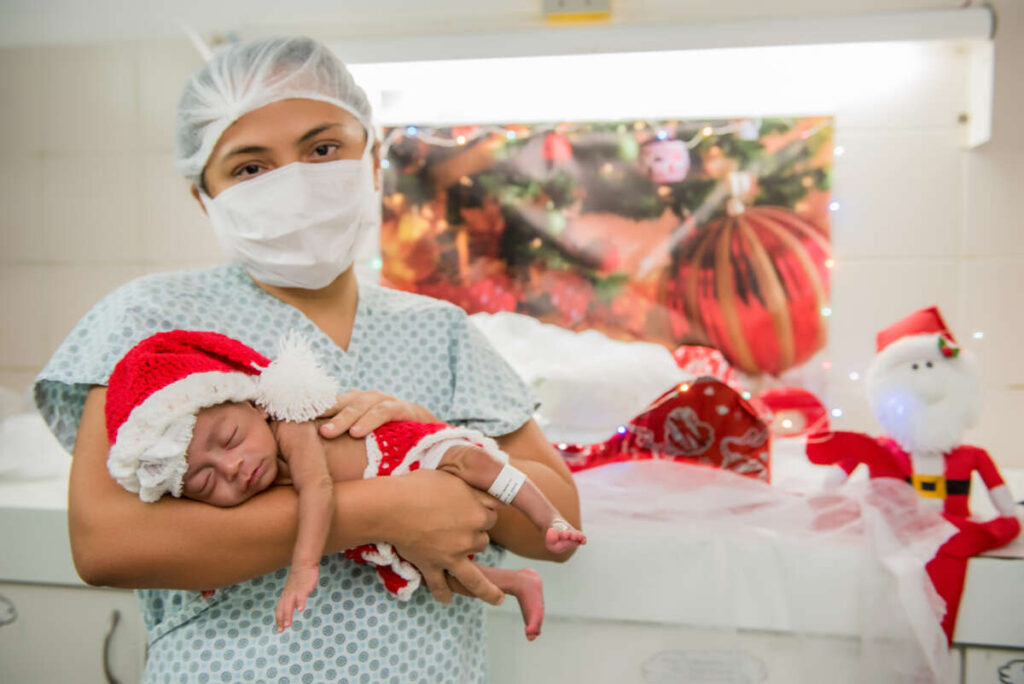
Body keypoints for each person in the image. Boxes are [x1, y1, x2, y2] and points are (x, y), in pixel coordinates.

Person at [34, 36, 582, 683]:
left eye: (323, 149)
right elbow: (108, 545)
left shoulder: (441, 330)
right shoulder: (153, 323)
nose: (292, 182)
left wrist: (430, 435)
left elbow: (559, 520)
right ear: (202, 195)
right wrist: (387, 506)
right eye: (248, 167)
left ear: (373, 161)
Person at [102, 329, 586, 638]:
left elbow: (319, 490)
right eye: (204, 482)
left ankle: (549, 517)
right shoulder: (250, 472)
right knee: (438, 573)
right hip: (381, 530)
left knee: (475, 463)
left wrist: (303, 567)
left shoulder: (289, 427)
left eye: (229, 439)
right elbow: (127, 549)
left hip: (408, 453)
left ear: (256, 404)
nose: (230, 469)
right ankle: (517, 584)